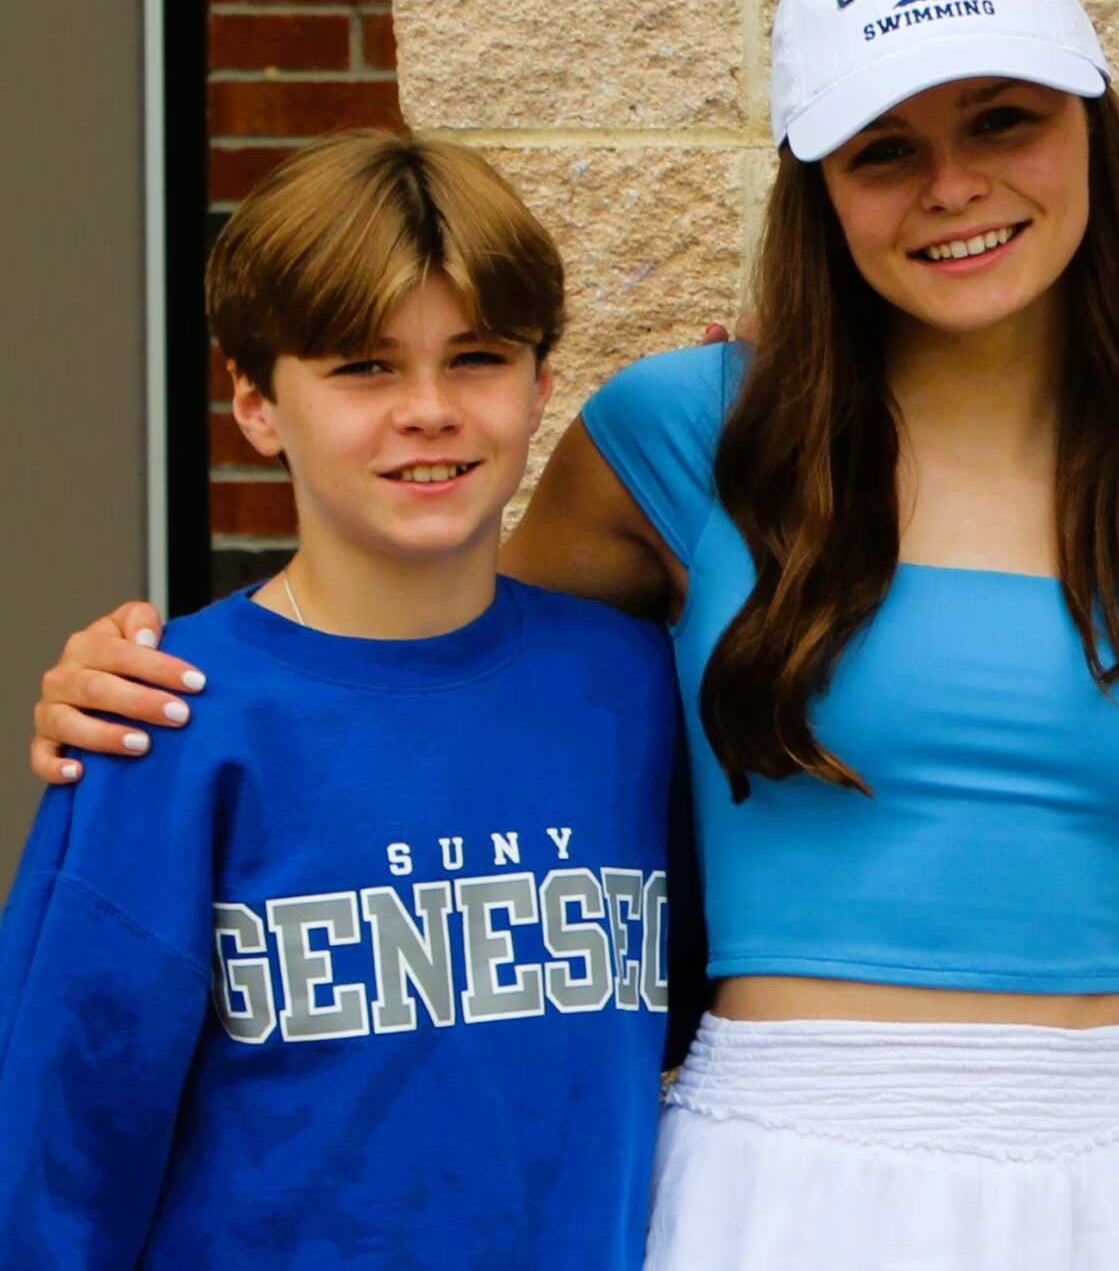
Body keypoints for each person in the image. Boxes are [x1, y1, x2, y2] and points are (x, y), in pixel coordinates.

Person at [28, 0, 1119, 1271]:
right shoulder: (689, 435)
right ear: (816, 183)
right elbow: (458, 698)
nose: (952, 184)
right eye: (885, 148)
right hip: (775, 1170)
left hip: (1113, 1184)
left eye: (1003, 118)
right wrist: (172, 689)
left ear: (1091, 126)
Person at [0, 132, 684, 1267]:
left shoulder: (628, 687)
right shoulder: (163, 720)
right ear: (259, 405)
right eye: (364, 367)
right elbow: (58, 1160)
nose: (429, 409)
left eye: (476, 358)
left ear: (541, 385)